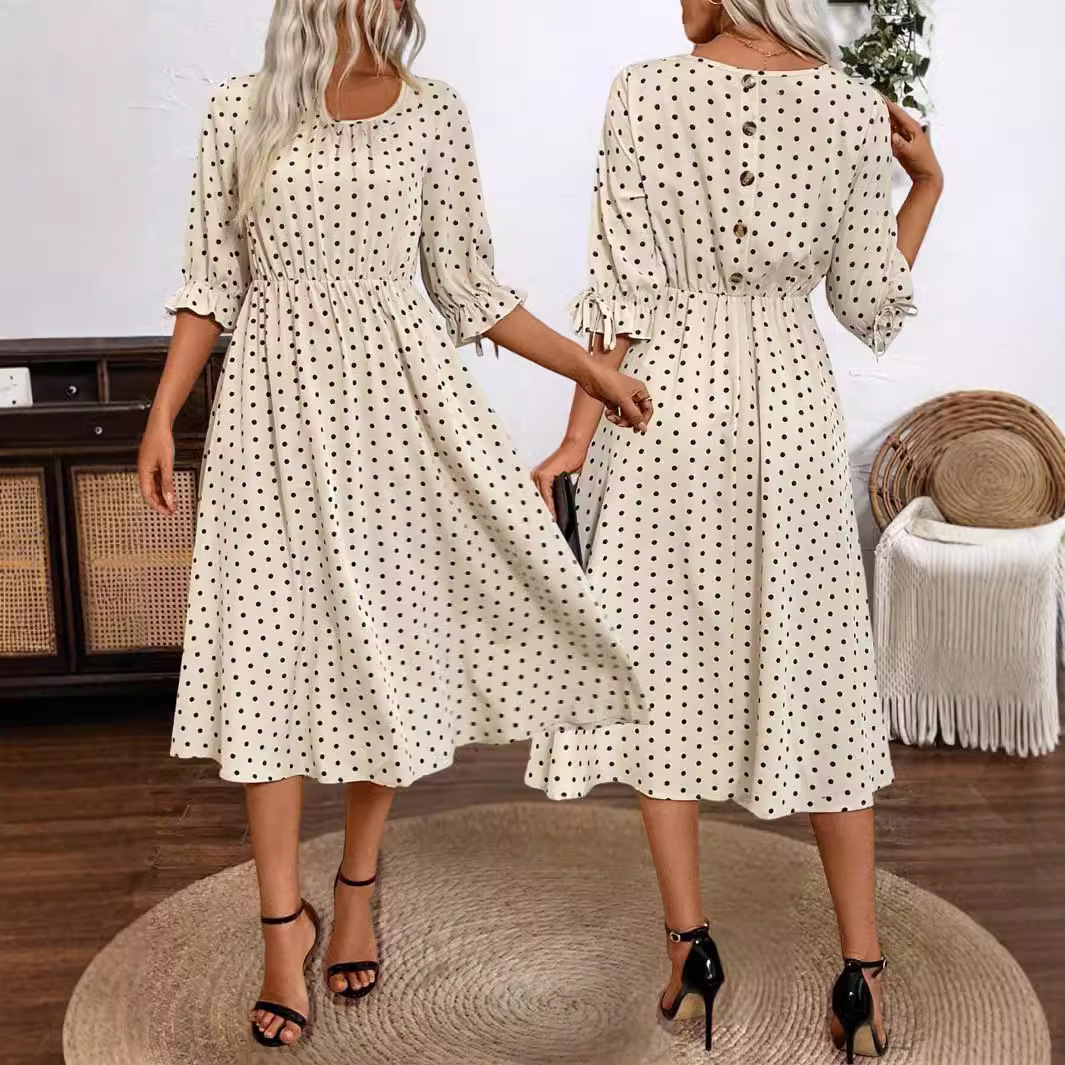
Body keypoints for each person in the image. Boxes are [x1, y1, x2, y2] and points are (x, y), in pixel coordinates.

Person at [138, 0, 654, 1048]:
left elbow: (472, 291)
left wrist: (591, 371)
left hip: (397, 418)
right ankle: (281, 927)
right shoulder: (241, 109)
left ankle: (355, 887)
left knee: (389, 654)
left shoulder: (434, 113)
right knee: (266, 661)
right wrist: (161, 413)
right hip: (271, 417)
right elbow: (211, 280)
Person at [529, 1, 942, 1060]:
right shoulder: (848, 106)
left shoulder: (643, 90)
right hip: (788, 411)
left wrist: (574, 437)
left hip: (660, 405)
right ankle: (862, 977)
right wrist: (926, 186)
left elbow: (616, 299)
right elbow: (869, 303)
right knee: (823, 676)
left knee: (659, 674)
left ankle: (690, 954)